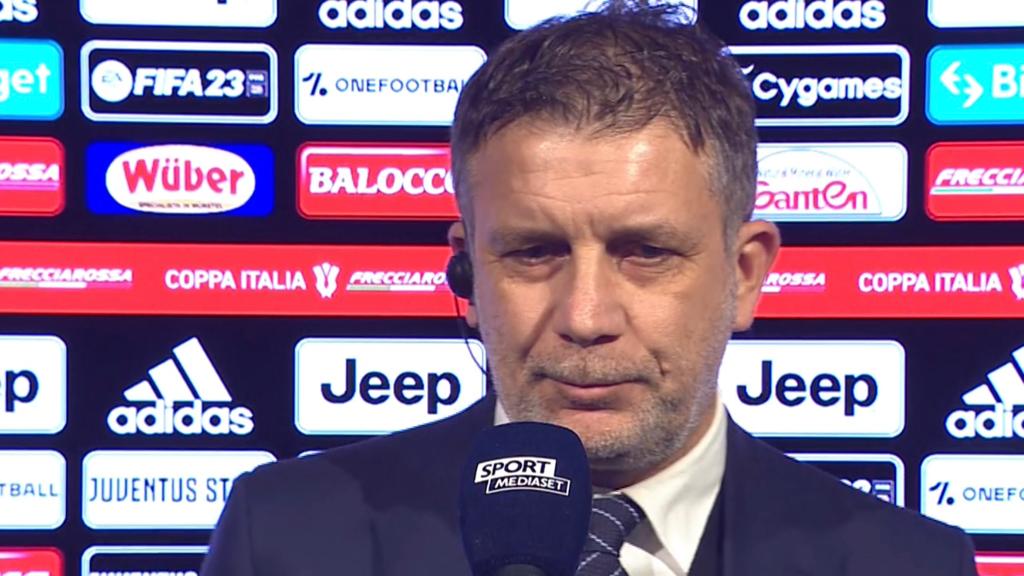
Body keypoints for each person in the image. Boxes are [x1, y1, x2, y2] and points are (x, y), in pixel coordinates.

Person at [202, 2, 979, 575]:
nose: (585, 316)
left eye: (646, 252)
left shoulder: (905, 564)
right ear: (467, 274)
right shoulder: (289, 540)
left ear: (745, 275)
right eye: (534, 253)